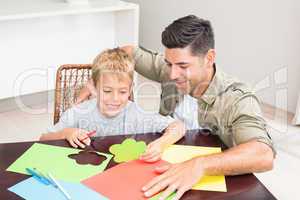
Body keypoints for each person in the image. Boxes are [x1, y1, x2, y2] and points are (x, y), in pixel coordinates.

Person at [76, 15, 275, 200]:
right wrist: (92, 82)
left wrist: (199, 165)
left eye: (182, 65)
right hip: (159, 169)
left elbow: (263, 154)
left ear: (209, 58)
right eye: (169, 64)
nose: (171, 74)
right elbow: (127, 51)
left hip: (212, 184)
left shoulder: (237, 98)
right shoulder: (171, 69)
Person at [40, 48, 185, 163]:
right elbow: (43, 139)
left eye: (122, 91)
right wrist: (66, 133)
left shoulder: (136, 113)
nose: (115, 99)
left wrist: (161, 144)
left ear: (130, 89)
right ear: (94, 88)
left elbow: (178, 127)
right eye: (107, 91)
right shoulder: (79, 112)